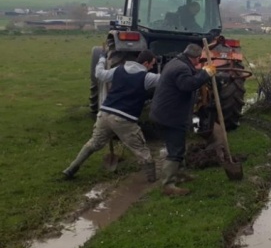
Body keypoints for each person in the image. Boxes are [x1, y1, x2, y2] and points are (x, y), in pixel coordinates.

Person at [63, 50, 160, 182]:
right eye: (152, 64)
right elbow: (165, 79)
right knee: (141, 149)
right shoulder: (146, 77)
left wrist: (102, 59)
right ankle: (152, 180)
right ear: (146, 63)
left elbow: (99, 74)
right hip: (124, 120)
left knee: (93, 143)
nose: (152, 67)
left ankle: (71, 169)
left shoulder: (118, 70)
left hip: (104, 114)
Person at [149, 44, 216, 196]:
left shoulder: (176, 62)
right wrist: (205, 73)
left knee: (178, 146)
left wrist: (200, 72)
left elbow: (190, 76)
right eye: (199, 60)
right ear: (195, 58)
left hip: (164, 113)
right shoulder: (181, 68)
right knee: (175, 151)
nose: (199, 63)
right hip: (171, 116)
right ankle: (168, 185)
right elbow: (188, 85)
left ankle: (178, 175)